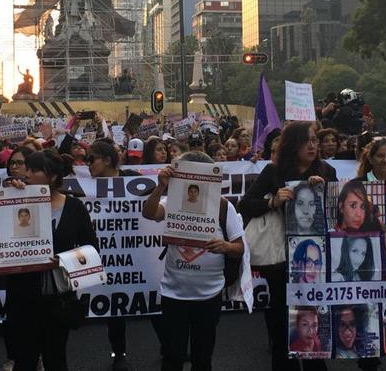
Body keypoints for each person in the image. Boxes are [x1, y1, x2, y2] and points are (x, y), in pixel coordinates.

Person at [238, 121, 336, 371]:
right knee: (283, 322)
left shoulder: (326, 171)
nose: (313, 145)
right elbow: (246, 204)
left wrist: (324, 192)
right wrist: (272, 202)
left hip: (315, 260)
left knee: (313, 317)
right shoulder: (273, 172)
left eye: (315, 140)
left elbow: (337, 212)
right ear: (293, 145)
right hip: (281, 260)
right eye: (307, 141)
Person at [142, 151, 244, 371]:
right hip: (174, 293)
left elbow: (239, 248)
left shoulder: (224, 207)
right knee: (172, 357)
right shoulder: (172, 201)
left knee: (202, 357)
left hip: (209, 295)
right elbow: (150, 213)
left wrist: (225, 247)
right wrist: (160, 186)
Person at [5, 149, 97, 371]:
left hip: (58, 300)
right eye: (27, 168)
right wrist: (9, 201)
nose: (26, 173)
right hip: (22, 297)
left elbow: (92, 249)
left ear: (52, 176)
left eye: (34, 169)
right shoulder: (17, 200)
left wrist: (63, 260)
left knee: (56, 359)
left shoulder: (74, 207)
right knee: (24, 360)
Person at [86, 139, 153, 370]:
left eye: (91, 159)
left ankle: (170, 347)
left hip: (138, 249)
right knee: (114, 306)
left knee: (150, 296)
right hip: (108, 254)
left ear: (107, 160)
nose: (88, 165)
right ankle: (119, 354)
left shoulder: (133, 177)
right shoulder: (87, 186)